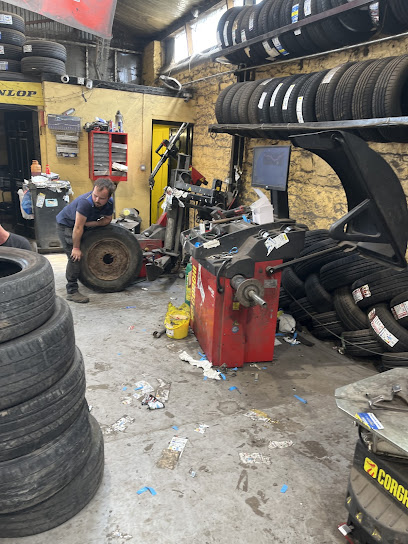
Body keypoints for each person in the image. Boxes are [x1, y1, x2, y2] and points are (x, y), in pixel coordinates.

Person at [56, 177, 117, 303]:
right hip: (68, 226)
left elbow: (107, 220)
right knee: (75, 257)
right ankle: (72, 291)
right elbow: (78, 227)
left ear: (108, 197)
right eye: (95, 196)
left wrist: (91, 224)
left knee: (88, 250)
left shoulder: (110, 203)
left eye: (101, 198)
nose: (97, 200)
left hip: (84, 224)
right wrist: (76, 248)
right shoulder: (85, 203)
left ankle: (83, 276)